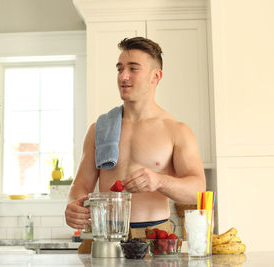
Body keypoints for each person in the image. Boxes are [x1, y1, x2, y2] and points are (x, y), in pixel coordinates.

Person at [65, 37, 206, 252]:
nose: (123, 76)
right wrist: (73, 205)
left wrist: (159, 181)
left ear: (155, 76)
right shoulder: (99, 129)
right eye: (120, 69)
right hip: (103, 237)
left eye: (133, 68)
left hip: (153, 238)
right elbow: (81, 186)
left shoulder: (176, 131)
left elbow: (198, 190)